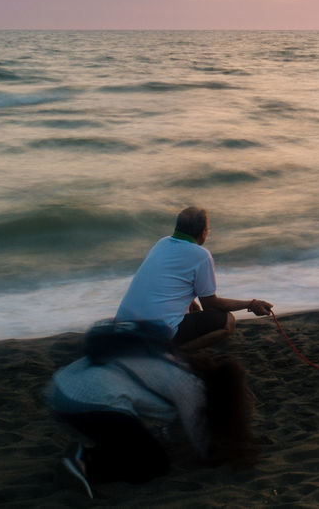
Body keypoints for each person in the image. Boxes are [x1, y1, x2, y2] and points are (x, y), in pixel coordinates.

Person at [48, 319, 256, 497]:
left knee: (136, 442)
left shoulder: (170, 360)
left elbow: (175, 429)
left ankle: (86, 454)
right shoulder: (191, 386)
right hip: (91, 401)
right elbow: (198, 437)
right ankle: (85, 462)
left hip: (61, 388)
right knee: (154, 465)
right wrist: (218, 454)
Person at [116, 206, 273, 350]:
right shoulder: (201, 255)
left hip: (124, 325)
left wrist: (190, 301)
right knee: (227, 321)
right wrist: (251, 304)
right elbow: (210, 304)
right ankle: (173, 354)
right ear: (204, 233)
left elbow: (163, 279)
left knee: (192, 310)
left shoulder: (162, 243)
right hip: (156, 333)